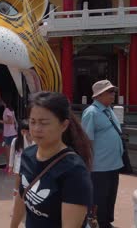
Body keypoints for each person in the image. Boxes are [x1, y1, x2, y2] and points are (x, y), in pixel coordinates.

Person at [11, 92, 93, 228]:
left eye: (44, 123)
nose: (36, 129)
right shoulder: (27, 155)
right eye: (32, 122)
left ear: (64, 125)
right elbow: (21, 197)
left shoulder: (74, 170)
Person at [81, 80, 123, 228]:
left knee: (110, 196)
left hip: (114, 163)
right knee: (98, 198)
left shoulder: (109, 110)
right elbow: (87, 140)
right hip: (99, 165)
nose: (113, 95)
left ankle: (106, 222)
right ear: (99, 95)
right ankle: (95, 223)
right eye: (110, 92)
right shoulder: (91, 113)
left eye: (113, 91)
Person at [8, 120, 34, 196]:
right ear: (19, 131)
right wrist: (10, 166)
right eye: (23, 131)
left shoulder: (32, 141)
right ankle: (16, 192)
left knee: (26, 181)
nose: (25, 133)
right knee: (18, 180)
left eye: (27, 131)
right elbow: (12, 154)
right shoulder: (15, 141)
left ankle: (26, 194)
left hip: (28, 166)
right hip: (18, 166)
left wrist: (26, 138)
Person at [0, 97, 17, 173]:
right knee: (10, 151)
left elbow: (10, 122)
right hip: (10, 133)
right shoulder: (10, 109)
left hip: (10, 134)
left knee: (8, 152)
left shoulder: (7, 110)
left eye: (1, 100)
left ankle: (9, 167)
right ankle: (10, 167)